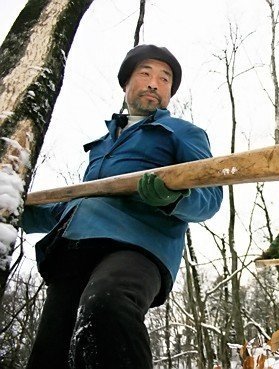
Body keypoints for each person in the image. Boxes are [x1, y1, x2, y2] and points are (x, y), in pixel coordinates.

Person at [22, 44, 223, 369]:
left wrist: (173, 197)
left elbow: (210, 196)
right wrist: (21, 211)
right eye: (145, 73)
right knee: (49, 354)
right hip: (74, 250)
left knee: (107, 304)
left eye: (165, 78)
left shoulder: (183, 133)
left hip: (138, 245)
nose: (155, 83)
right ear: (126, 83)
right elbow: (79, 203)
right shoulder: (102, 146)